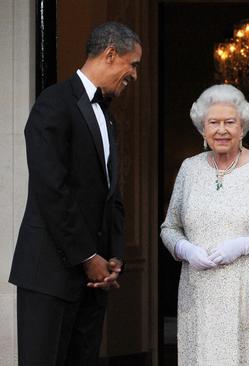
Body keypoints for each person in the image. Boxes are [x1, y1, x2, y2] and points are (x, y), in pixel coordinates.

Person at [8, 22, 141, 365]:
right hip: (49, 274)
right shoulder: (53, 103)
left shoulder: (108, 118)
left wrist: (113, 257)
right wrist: (87, 257)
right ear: (111, 54)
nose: (135, 75)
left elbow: (113, 194)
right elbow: (52, 189)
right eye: (133, 64)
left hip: (94, 282)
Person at [160, 84, 249, 365]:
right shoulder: (190, 168)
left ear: (243, 127)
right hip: (197, 294)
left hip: (245, 295)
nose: (221, 130)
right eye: (213, 123)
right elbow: (169, 227)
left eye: (229, 122)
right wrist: (185, 249)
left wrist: (247, 245)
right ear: (202, 128)